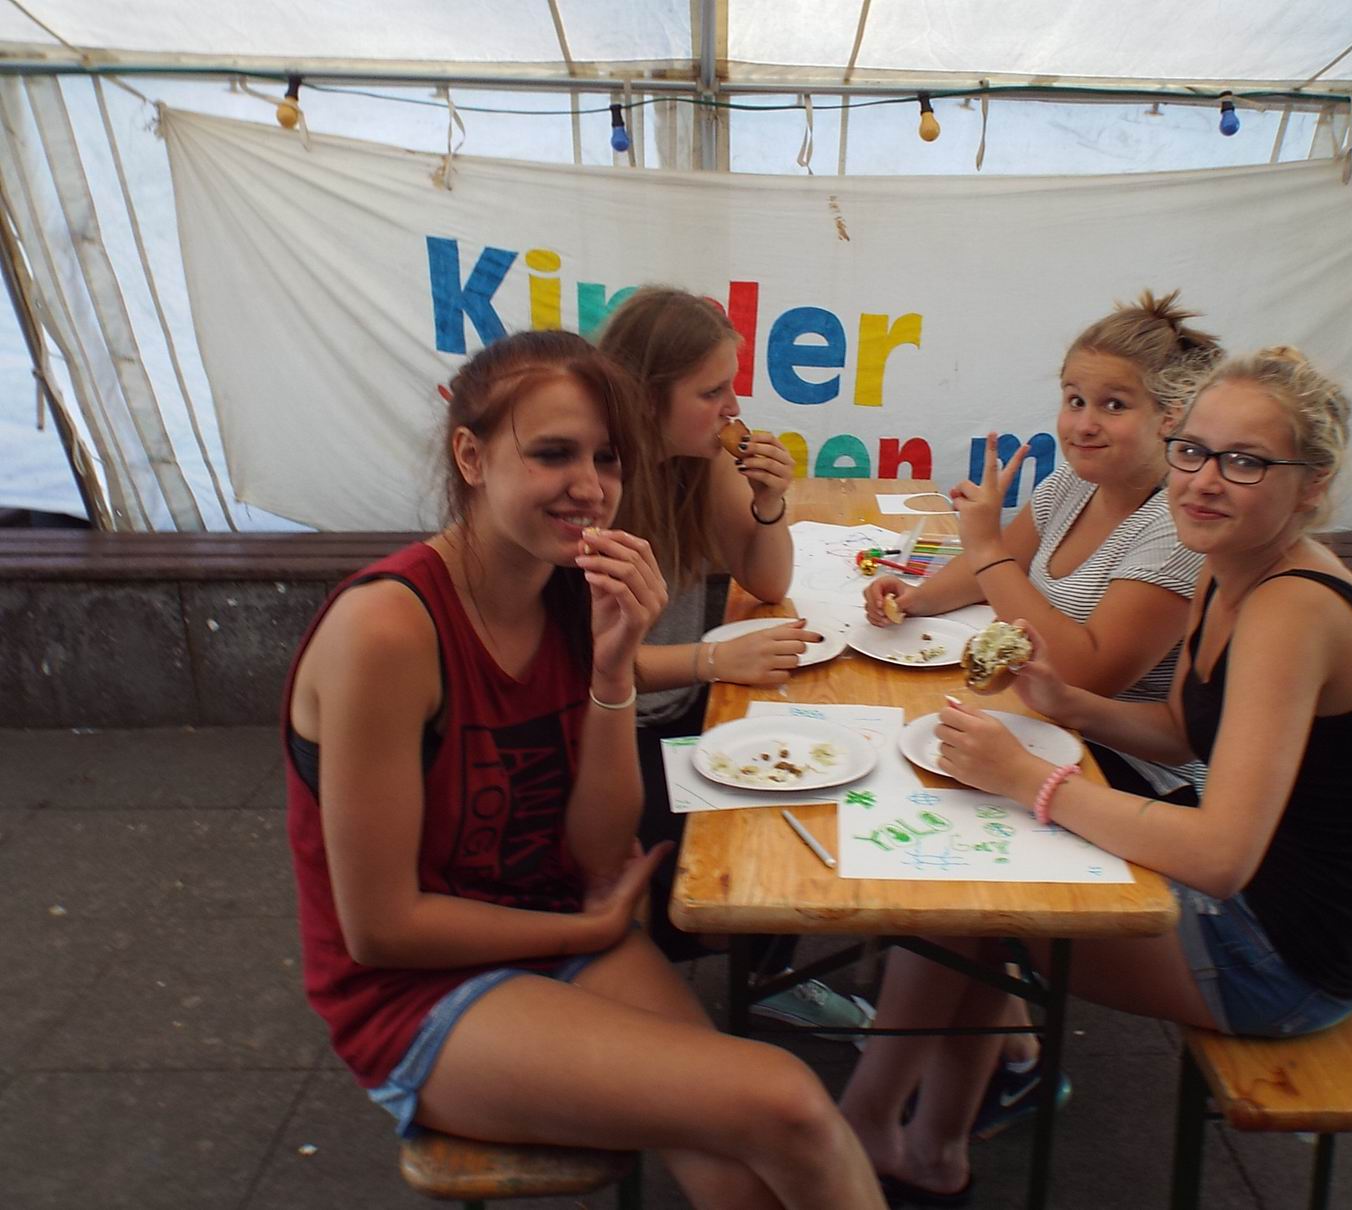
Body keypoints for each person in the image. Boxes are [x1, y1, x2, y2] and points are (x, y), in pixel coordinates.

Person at [284, 329, 886, 1209]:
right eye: (552, 453)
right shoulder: (388, 630)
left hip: (554, 922)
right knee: (788, 1101)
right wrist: (581, 931)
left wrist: (613, 672)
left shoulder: (567, 589)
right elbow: (381, 930)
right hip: (415, 994)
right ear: (471, 456)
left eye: (606, 458)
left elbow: (598, 854)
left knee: (743, 1170)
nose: (590, 485)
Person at [839, 347, 1352, 1205]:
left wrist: (1029, 781)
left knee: (969, 904)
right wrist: (1065, 703)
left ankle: (887, 1133)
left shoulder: (1292, 608)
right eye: (1192, 452)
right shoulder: (1227, 563)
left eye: (1244, 461)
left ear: (1312, 485)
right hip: (1259, 901)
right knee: (968, 887)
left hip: (1284, 958)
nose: (1202, 482)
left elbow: (1220, 855)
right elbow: (1180, 732)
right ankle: (924, 1143)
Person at [598, 287, 869, 1035]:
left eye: (732, 387)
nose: (733, 408)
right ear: (645, 396)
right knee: (726, 853)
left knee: (803, 785)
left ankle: (763, 972)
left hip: (676, 705)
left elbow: (768, 581)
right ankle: (666, 981)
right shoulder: (594, 486)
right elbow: (583, 667)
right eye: (711, 391)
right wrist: (713, 659)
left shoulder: (696, 461)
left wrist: (770, 503)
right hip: (605, 728)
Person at [863, 290, 1223, 804]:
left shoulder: (1175, 528)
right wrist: (913, 600)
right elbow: (992, 569)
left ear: (1170, 417)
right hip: (1045, 728)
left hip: (1134, 773)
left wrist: (985, 547)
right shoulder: (1071, 484)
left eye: (1114, 405)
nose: (1084, 425)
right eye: (1074, 400)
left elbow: (1084, 674)